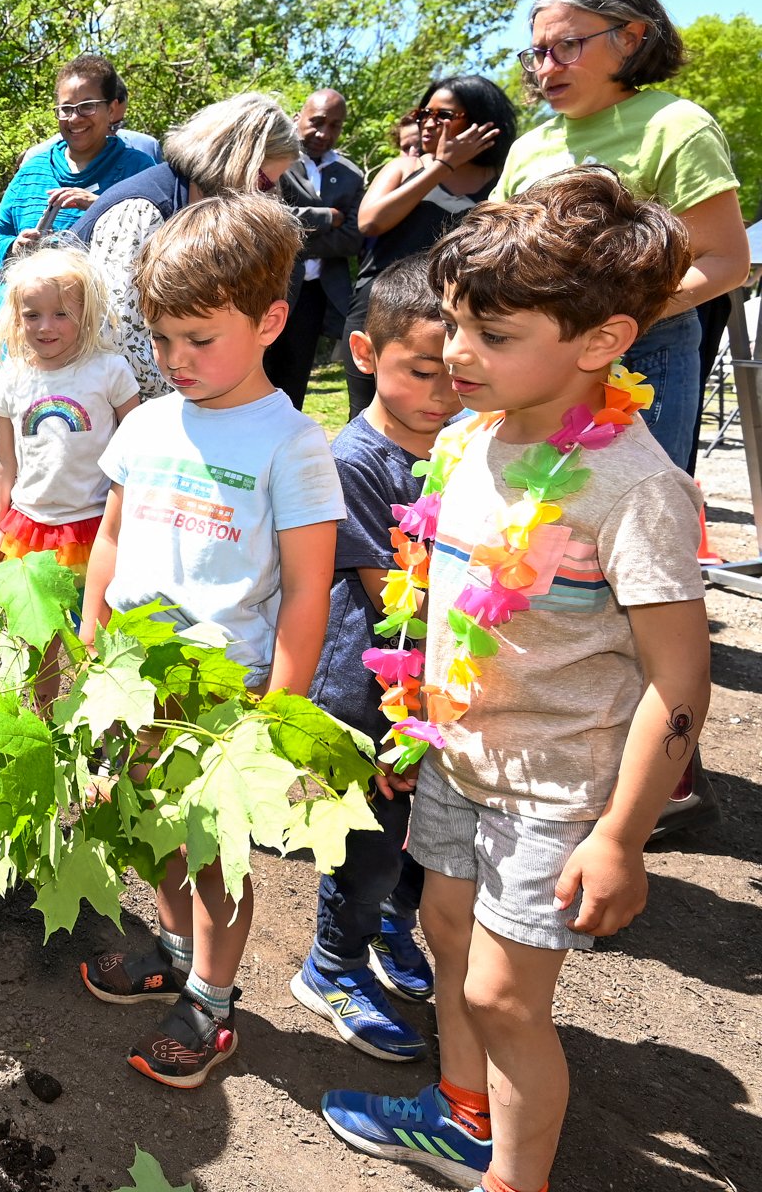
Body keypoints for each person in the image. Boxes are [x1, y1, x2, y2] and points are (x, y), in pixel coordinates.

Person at [322, 169, 710, 1192]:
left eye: (494, 337)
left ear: (601, 342)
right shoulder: (466, 436)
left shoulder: (634, 485)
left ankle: (513, 1177)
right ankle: (460, 1112)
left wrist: (621, 835)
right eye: (457, 326)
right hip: (457, 757)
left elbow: (678, 677)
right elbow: (432, 597)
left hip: (557, 786)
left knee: (501, 994)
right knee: (445, 933)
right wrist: (412, 718)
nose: (458, 355)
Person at [76, 192, 343, 1088]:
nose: (175, 361)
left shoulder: (294, 444)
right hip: (132, 680)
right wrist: (88, 646)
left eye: (199, 339)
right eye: (160, 341)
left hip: (226, 695)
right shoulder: (147, 424)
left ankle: (214, 1004)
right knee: (150, 834)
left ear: (271, 320)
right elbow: (109, 539)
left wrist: (284, 709)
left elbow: (309, 589)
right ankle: (168, 949)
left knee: (215, 856)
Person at [294, 258, 462, 1063]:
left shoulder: (466, 451)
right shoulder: (354, 460)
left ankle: (391, 924)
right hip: (370, 698)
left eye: (458, 372)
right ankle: (332, 963)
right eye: (422, 370)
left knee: (419, 840)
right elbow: (401, 597)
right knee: (365, 841)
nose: (443, 392)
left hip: (443, 689)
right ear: (365, 353)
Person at [496, 0, 747, 472]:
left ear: (630, 38)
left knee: (629, 521)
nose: (545, 69)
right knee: (527, 530)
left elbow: (725, 261)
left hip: (641, 359)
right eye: (538, 54)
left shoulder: (675, 125)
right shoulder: (528, 147)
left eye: (566, 47)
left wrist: (613, 325)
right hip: (530, 363)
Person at [0, 54, 156, 547]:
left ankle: (96, 538)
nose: (74, 118)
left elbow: (152, 237)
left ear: (116, 109)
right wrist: (15, 247)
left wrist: (102, 206)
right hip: (16, 322)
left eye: (87, 106)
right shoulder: (31, 170)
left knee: (74, 437)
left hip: (84, 331)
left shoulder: (138, 169)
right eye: (65, 109)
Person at [72, 92, 304, 401]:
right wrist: (191, 401)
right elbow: (118, 336)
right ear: (238, 161)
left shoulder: (201, 211)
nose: (266, 196)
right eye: (263, 183)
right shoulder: (143, 211)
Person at [343, 77, 516, 418]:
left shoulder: (504, 181)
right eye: (425, 113)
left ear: (481, 120)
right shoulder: (405, 167)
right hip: (380, 311)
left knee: (449, 422)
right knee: (367, 418)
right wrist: (441, 167)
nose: (429, 123)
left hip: (456, 323)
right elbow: (370, 221)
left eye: (445, 115)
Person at [0, 243, 139, 574]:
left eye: (61, 313)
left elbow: (136, 454)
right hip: (27, 525)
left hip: (95, 523)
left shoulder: (110, 371)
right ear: (16, 317)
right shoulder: (11, 374)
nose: (45, 327)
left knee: (92, 622)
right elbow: (3, 460)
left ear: (86, 312)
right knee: (36, 622)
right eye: (32, 315)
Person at [267, 89, 365, 410]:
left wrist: (294, 238)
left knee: (294, 383)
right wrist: (327, 217)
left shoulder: (351, 175)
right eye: (317, 122)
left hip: (315, 296)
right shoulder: (274, 160)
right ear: (298, 118)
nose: (324, 133)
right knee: (257, 372)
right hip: (273, 286)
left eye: (335, 125)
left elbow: (352, 238)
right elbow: (270, 221)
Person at [19, 73, 162, 164]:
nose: (110, 133)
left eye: (117, 126)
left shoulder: (146, 149)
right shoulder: (37, 160)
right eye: (68, 108)